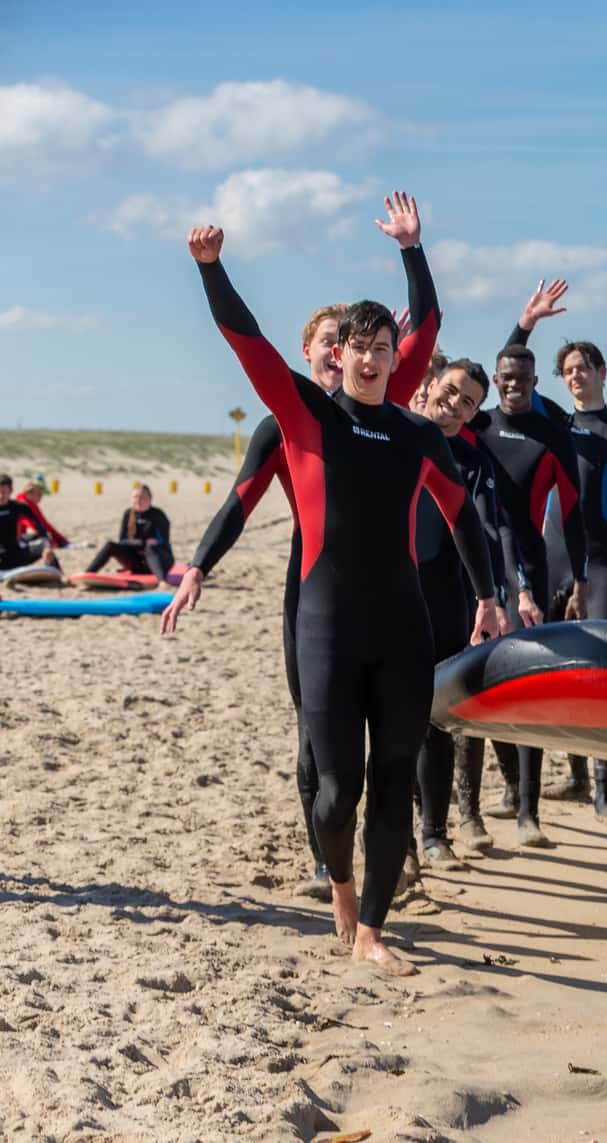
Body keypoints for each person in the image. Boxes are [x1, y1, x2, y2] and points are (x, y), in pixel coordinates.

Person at [189, 203, 501, 977]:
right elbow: (247, 341)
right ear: (344, 353)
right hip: (325, 625)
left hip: (402, 626)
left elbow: (463, 518)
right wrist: (211, 268)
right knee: (336, 791)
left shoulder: (417, 433)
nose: (368, 358)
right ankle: (339, 882)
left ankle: (372, 928)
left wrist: (488, 596)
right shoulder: (301, 414)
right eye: (357, 346)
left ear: (400, 358)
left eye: (382, 347)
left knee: (395, 779)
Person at [163, 226, 443, 901]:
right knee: (318, 737)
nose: (345, 355)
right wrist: (199, 564)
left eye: (372, 346)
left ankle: (376, 856)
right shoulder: (287, 417)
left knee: (385, 741)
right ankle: (328, 861)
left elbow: (426, 327)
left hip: (389, 595)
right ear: (320, 351)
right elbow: (240, 500)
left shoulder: (386, 397)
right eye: (331, 342)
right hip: (312, 595)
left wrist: (411, 249)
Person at [505, 294, 607, 820]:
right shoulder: (553, 425)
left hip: (604, 566)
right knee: (549, 675)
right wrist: (526, 324)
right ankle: (549, 789)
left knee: (604, 678)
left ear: (602, 373)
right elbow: (510, 372)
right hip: (553, 562)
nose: (574, 377)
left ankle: (604, 793)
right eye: (567, 371)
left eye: (582, 368)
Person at [470, 333, 586, 847]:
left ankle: (529, 812)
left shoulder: (550, 434)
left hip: (530, 573)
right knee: (483, 685)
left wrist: (580, 580)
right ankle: (512, 788)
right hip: (476, 566)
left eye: (523, 378)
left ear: (536, 383)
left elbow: (575, 516)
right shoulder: (478, 425)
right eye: (505, 377)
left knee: (527, 689)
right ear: (495, 381)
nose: (513, 384)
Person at [415, 359, 520, 866]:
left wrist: (494, 597)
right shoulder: (394, 437)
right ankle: (405, 834)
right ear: (432, 385)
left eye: (468, 401)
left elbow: (487, 533)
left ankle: (438, 831)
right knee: (391, 721)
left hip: (449, 601)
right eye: (451, 391)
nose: (454, 404)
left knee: (443, 716)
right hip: (387, 596)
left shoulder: (473, 463)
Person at [83, 485, 175, 583]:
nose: (138, 500)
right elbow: (122, 541)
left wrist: (147, 545)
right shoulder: (128, 514)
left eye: (142, 497)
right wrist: (142, 543)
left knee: (151, 547)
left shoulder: (158, 515)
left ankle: (162, 581)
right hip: (137, 563)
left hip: (160, 561)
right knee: (110, 545)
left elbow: (163, 541)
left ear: (150, 498)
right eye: (135, 497)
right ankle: (87, 574)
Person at [0, 475, 61, 571]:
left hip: (16, 555)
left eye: (4, 492)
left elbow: (40, 528)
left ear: (10, 491)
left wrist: (47, 547)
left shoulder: (18, 507)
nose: (0, 496)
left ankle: (59, 576)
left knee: (46, 549)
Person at [14, 480, 70, 559]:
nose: (41, 498)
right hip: (15, 540)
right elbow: (32, 525)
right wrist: (51, 542)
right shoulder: (22, 504)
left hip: (19, 538)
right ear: (29, 493)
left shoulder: (28, 503)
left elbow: (44, 523)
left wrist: (60, 539)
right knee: (37, 532)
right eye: (39, 494)